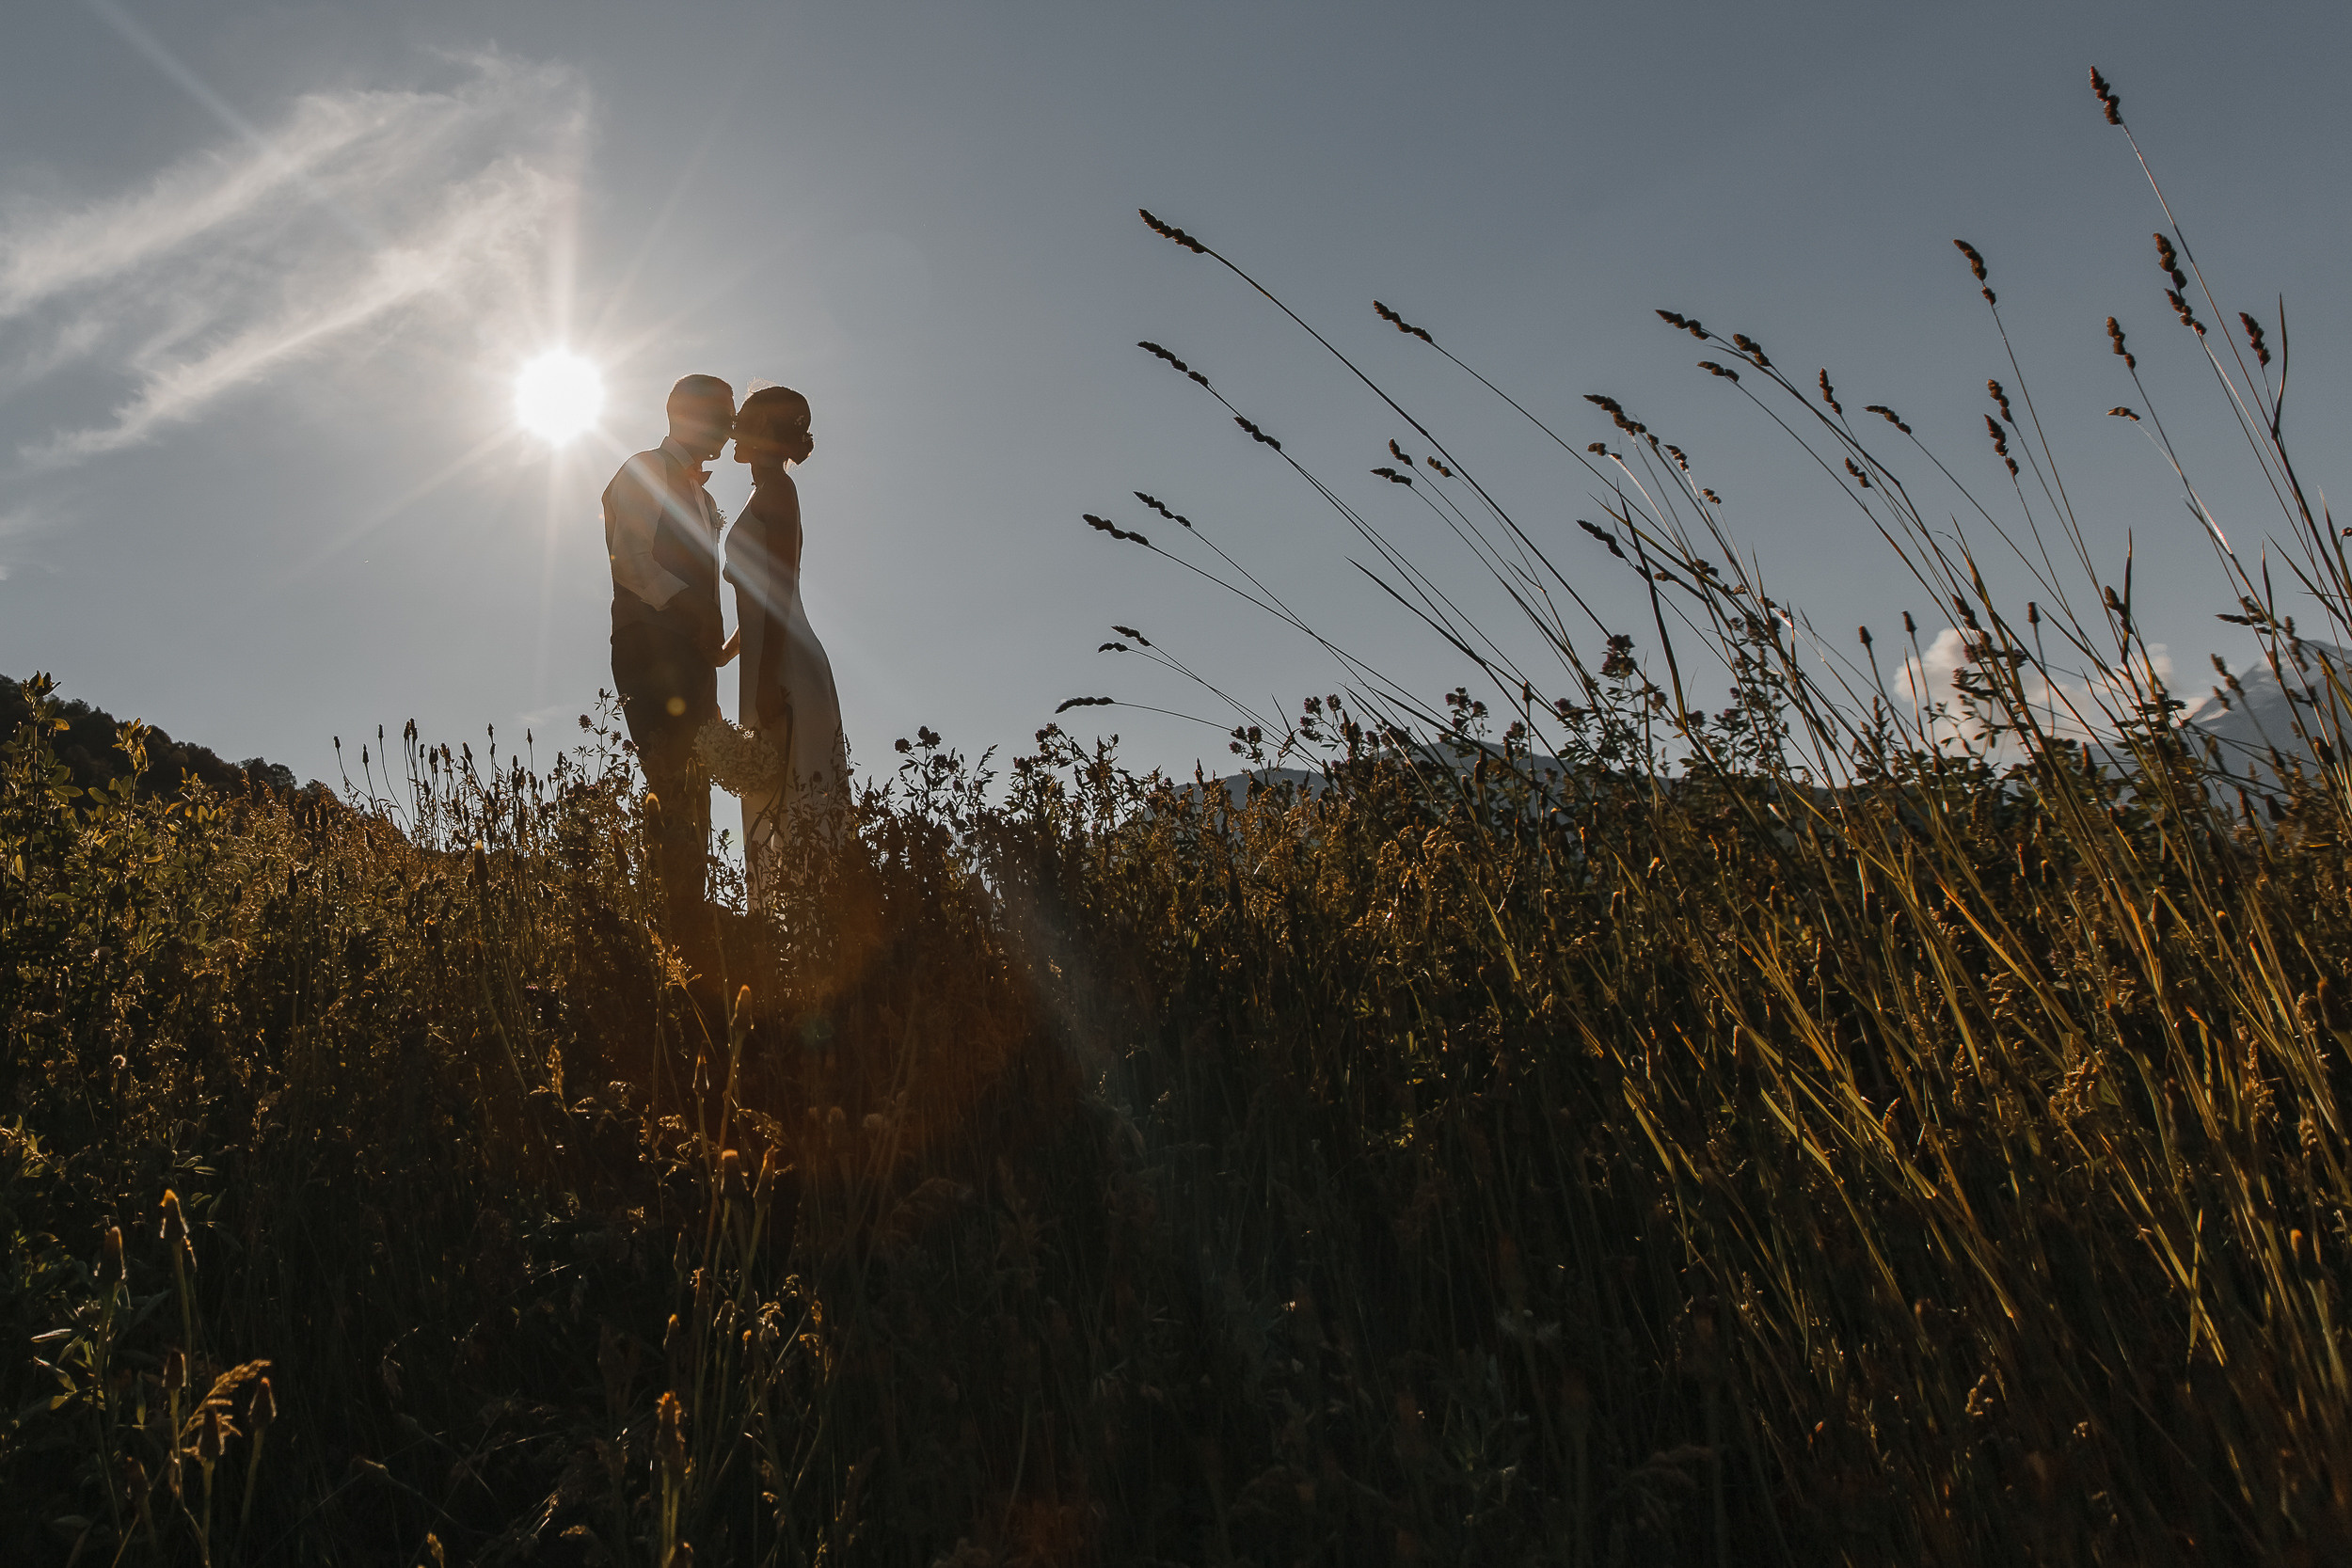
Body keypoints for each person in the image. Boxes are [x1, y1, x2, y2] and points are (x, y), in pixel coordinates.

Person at [604, 374, 735, 954]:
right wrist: (691, 607)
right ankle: (664, 929)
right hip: (648, 646)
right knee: (669, 778)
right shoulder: (642, 469)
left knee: (696, 782)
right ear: (686, 413)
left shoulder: (706, 500)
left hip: (692, 656)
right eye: (724, 415)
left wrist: (716, 632)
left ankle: (689, 921)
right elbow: (627, 558)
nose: (732, 429)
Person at [722, 385, 847, 910]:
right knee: (777, 805)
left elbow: (778, 590)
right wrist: (723, 653)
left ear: (768, 434)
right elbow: (757, 600)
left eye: (744, 422)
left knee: (796, 809)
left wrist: (769, 680)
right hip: (768, 660)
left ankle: (809, 945)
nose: (733, 432)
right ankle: (784, 946)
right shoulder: (763, 491)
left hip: (784, 666)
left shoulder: (777, 490)